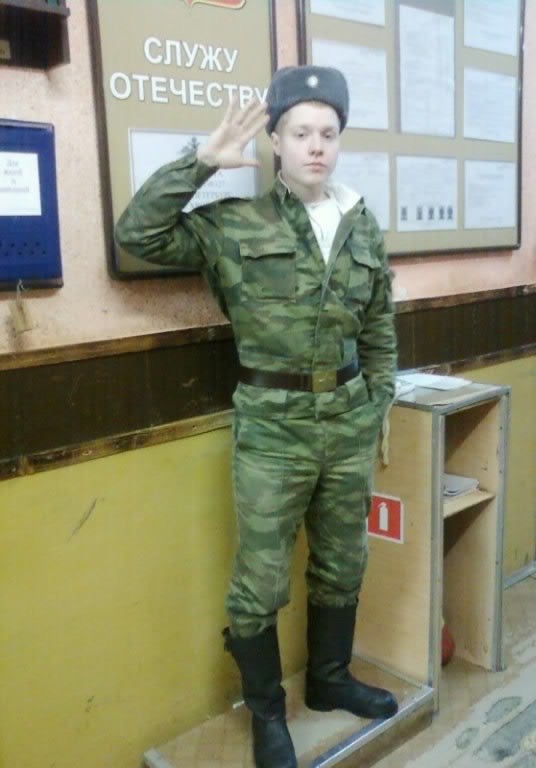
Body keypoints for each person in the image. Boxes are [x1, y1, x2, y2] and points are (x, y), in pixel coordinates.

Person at [116, 65, 398, 768]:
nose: (316, 146)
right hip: (273, 428)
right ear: (274, 141)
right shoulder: (233, 223)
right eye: (300, 132)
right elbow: (138, 233)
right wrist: (202, 162)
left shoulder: (362, 224)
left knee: (343, 561)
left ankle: (329, 680)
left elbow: (379, 326)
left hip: (348, 420)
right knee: (260, 580)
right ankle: (268, 715)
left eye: (328, 132)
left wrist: (378, 402)